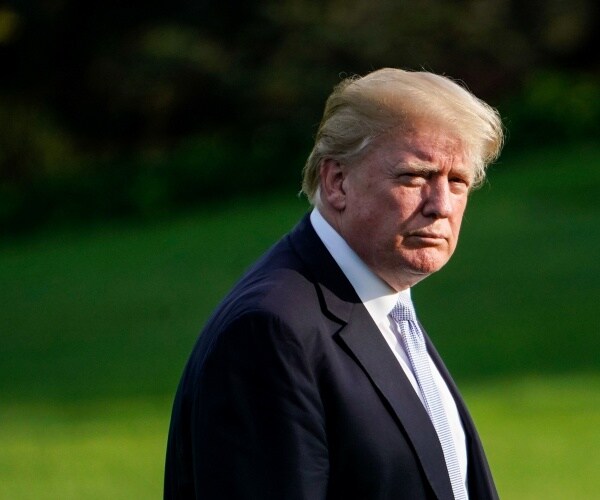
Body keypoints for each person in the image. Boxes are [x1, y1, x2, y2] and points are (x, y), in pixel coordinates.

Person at [164, 67, 504, 499]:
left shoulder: (388, 304)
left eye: (457, 182)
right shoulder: (272, 330)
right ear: (337, 181)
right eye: (414, 177)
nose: (440, 206)